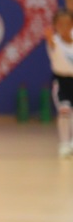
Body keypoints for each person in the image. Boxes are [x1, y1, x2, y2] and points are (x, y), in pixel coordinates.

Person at [45, 9, 73, 158]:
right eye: (60, 24)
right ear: (55, 26)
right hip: (61, 81)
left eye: (67, 24)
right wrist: (49, 37)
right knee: (64, 110)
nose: (64, 27)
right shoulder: (54, 41)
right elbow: (52, 46)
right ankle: (64, 143)